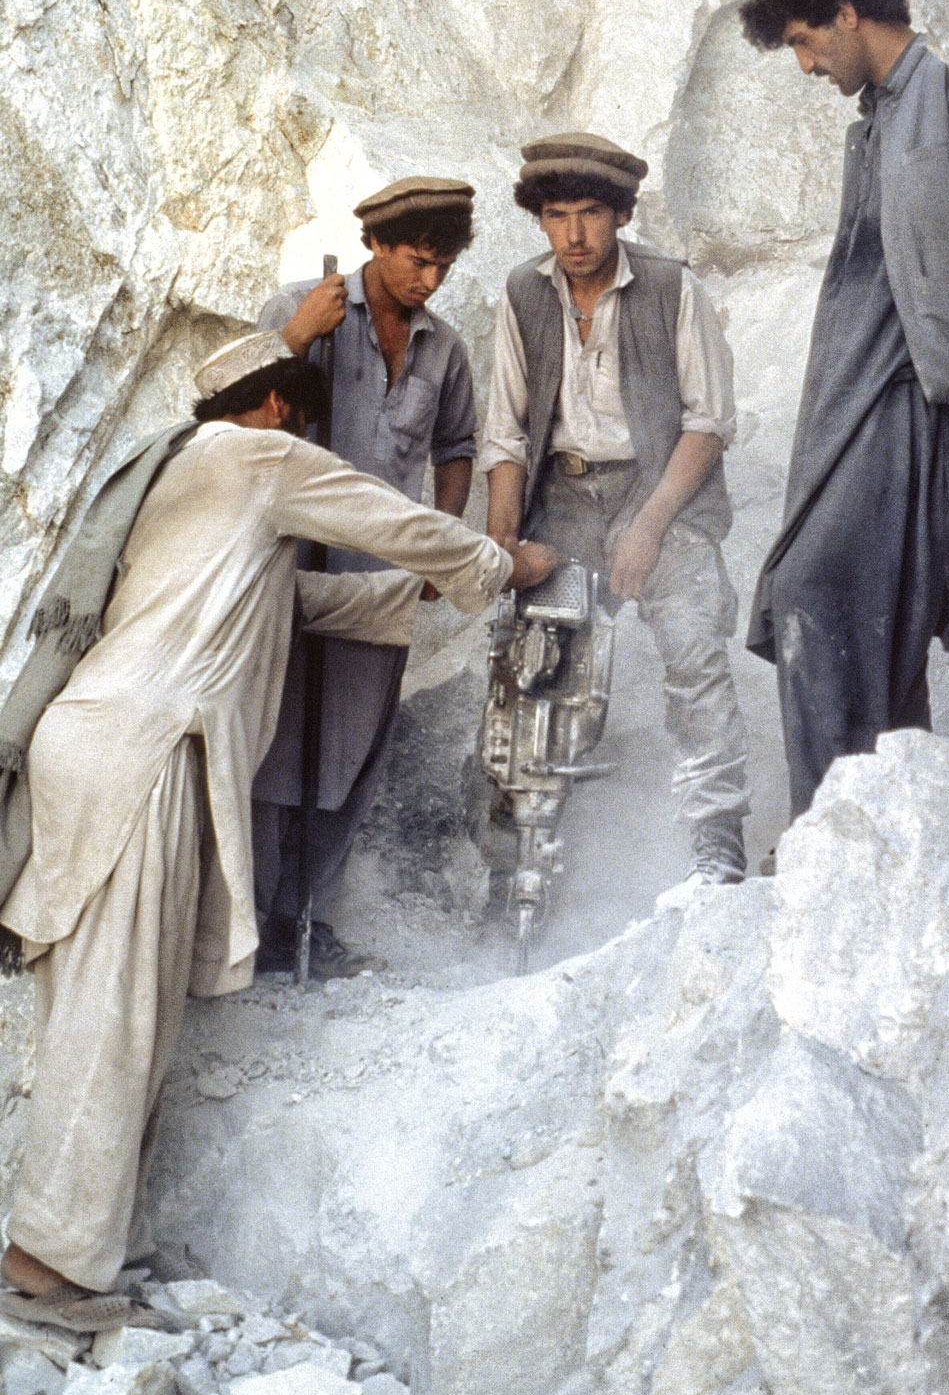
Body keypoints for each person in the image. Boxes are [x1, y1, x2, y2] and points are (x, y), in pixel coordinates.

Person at [0, 330, 556, 1330]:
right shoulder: (256, 458)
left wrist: (411, 593)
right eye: (298, 418)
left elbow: (290, 602)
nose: (301, 434)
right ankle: (47, 1264)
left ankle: (91, 1245)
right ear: (274, 410)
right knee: (115, 1012)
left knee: (114, 1006)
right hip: (143, 751)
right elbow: (388, 515)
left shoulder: (182, 480)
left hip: (94, 742)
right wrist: (494, 562)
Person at [738, 0, 949, 818]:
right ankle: (881, 833)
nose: (805, 63)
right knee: (856, 622)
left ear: (849, 14)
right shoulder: (878, 124)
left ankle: (835, 828)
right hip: (852, 408)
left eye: (804, 41)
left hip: (909, 411)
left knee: (815, 597)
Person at [479, 132, 750, 883]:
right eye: (557, 215)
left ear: (622, 216)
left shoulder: (670, 286)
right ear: (538, 219)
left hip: (657, 491)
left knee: (695, 651)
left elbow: (709, 422)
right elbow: (504, 432)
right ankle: (519, 861)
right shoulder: (522, 292)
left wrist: (649, 526)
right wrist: (503, 543)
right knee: (534, 669)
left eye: (592, 213)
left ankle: (715, 839)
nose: (574, 234)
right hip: (563, 502)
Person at [251, 177, 482, 978]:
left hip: (382, 579)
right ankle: (251, 925)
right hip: (292, 565)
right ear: (376, 246)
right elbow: (236, 411)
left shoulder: (444, 348)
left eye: (444, 267)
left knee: (352, 753)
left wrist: (439, 542)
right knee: (274, 744)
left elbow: (456, 448)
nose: (429, 281)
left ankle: (303, 918)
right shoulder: (304, 305)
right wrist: (293, 336)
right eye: (419, 261)